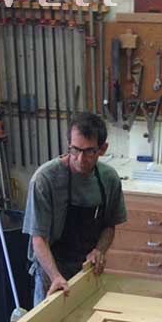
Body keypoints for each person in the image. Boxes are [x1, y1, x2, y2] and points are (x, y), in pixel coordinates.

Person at [23, 112, 127, 305]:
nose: (80, 159)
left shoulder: (109, 179)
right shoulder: (45, 180)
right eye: (75, 149)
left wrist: (99, 250)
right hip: (50, 269)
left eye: (89, 152)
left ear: (103, 149)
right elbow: (38, 239)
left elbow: (109, 226)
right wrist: (55, 276)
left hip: (86, 270)